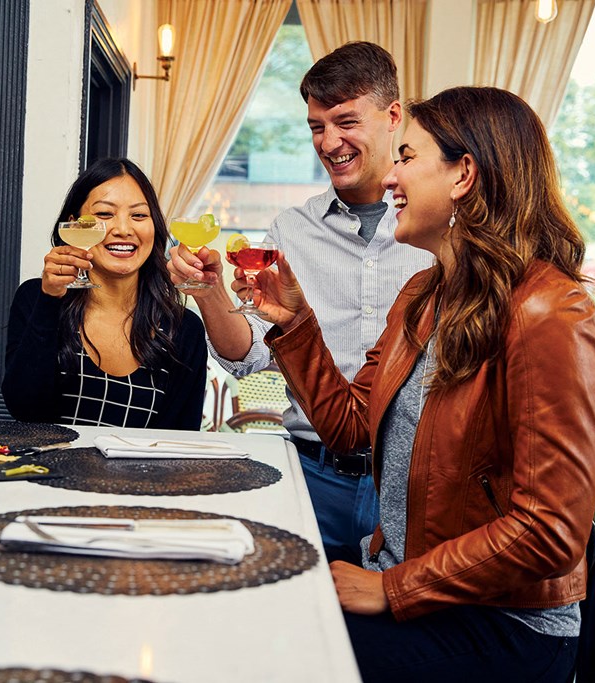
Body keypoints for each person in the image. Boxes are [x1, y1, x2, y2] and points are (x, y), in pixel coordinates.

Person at [252, 86, 595, 681]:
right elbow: (350, 428)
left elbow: (550, 532)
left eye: (407, 157)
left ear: (463, 175)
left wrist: (392, 589)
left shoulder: (549, 311)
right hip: (416, 591)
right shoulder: (423, 296)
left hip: (503, 625)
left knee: (274, 653)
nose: (390, 178)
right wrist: (294, 323)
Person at [168, 42, 433, 563]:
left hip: (413, 481)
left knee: (397, 610)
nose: (329, 143)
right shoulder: (290, 230)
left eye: (346, 122)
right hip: (312, 473)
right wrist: (210, 291)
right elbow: (253, 357)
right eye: (317, 127)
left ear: (392, 116)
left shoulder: (432, 230)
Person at [2, 158, 207, 430]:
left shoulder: (184, 329)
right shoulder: (36, 297)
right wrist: (49, 299)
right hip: (50, 459)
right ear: (74, 225)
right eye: (104, 214)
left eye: (138, 215)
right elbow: (23, 409)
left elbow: (181, 439)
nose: (123, 230)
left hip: (141, 462)